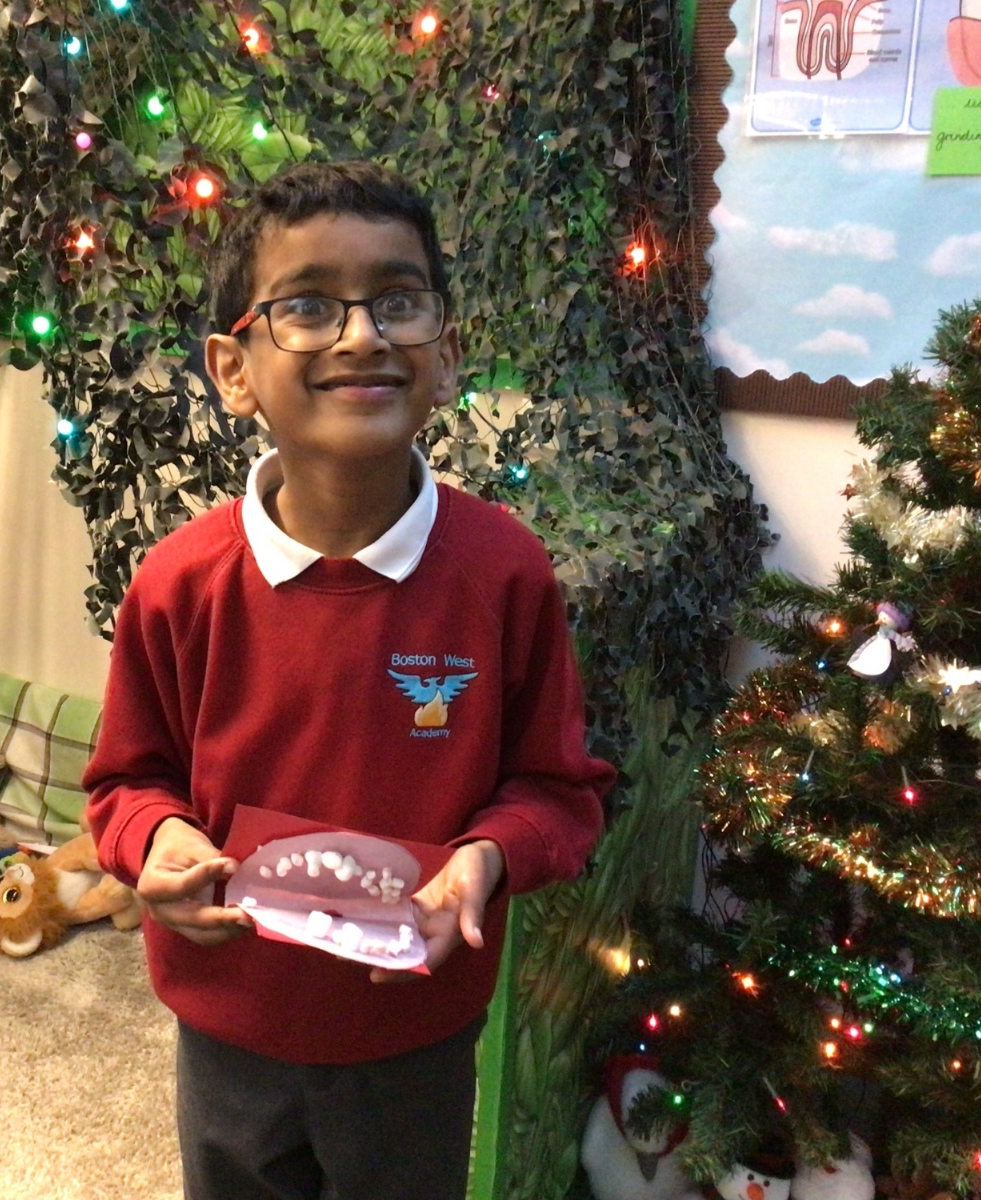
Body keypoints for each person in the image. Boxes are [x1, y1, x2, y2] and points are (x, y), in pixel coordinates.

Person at [84, 160, 615, 1200]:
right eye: (308, 306)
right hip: (230, 1025)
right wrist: (157, 840)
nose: (362, 336)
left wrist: (486, 859)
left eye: (398, 301)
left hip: (413, 1032)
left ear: (445, 353)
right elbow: (125, 783)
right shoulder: (178, 583)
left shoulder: (504, 572)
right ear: (233, 370)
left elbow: (558, 792)